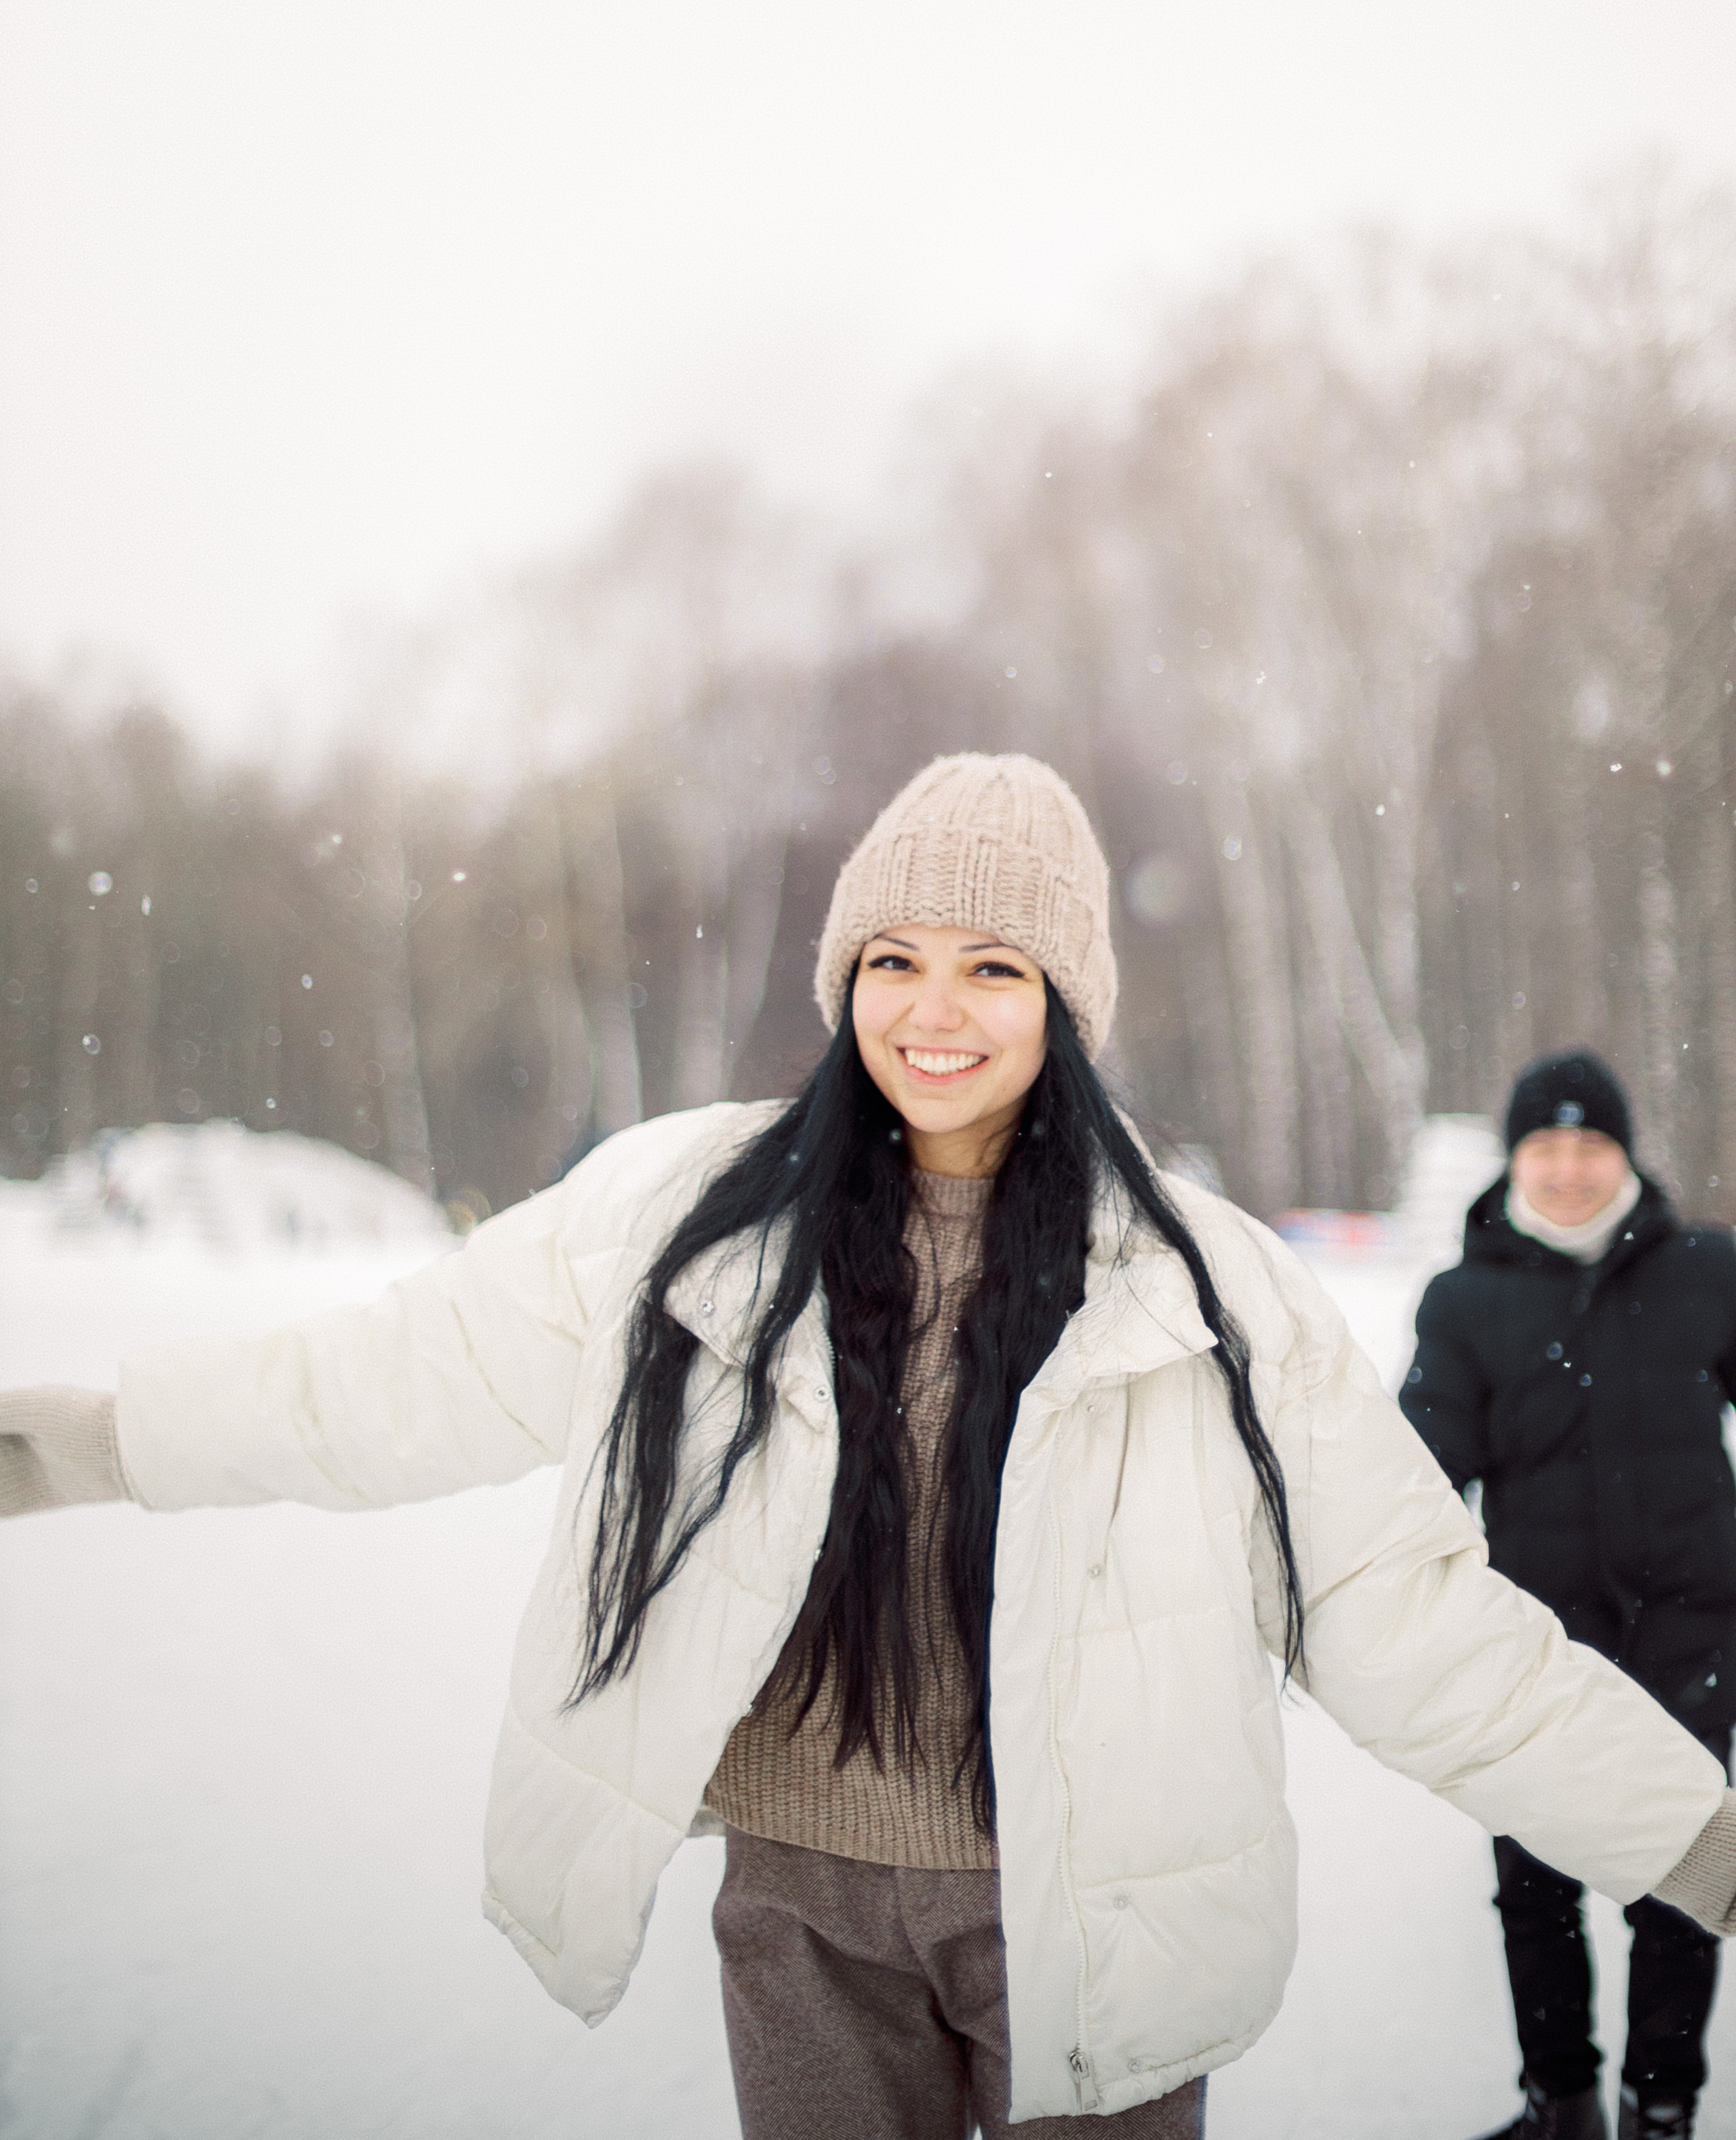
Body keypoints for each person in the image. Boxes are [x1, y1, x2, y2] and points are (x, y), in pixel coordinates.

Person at [5, 757, 1736, 2140]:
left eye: (993, 966)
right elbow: (390, 1377)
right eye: (894, 960)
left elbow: (1412, 1620)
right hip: (805, 1922)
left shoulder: (1206, 1290)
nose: (934, 1009)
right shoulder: (687, 1221)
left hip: (1099, 1919)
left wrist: (1699, 1843)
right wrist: (85, 1444)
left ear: (1062, 999)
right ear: (844, 982)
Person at [1402, 1050, 1736, 2140]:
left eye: (1592, 1143)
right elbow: (1419, 1470)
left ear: (1624, 1155)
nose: (1569, 1166)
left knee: (1682, 1885)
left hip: (1691, 1634)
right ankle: (1562, 2106)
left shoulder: (1706, 1271)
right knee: (1535, 1888)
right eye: (1546, 1144)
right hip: (1535, 1651)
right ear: (1514, 1160)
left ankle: (1662, 2111)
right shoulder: (1465, 1300)